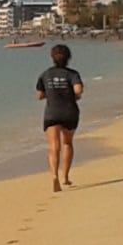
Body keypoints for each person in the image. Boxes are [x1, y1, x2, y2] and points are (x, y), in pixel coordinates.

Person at [36, 43, 83, 193]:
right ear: (69, 58)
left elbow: (39, 95)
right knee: (67, 143)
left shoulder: (45, 74)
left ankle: (54, 176)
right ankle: (65, 177)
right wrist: (72, 95)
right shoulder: (73, 74)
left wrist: (52, 93)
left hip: (52, 113)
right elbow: (78, 91)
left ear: (52, 57)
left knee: (54, 147)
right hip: (69, 112)